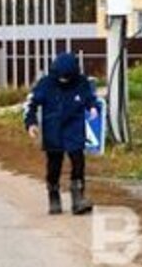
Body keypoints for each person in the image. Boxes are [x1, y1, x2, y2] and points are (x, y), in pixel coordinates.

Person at [23, 51, 98, 215]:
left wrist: (93, 108)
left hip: (74, 127)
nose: (63, 80)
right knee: (54, 165)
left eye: (67, 77)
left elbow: (90, 98)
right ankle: (54, 196)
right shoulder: (45, 84)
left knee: (78, 162)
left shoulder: (81, 82)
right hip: (53, 128)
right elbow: (31, 104)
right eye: (61, 77)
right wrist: (31, 124)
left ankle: (78, 199)